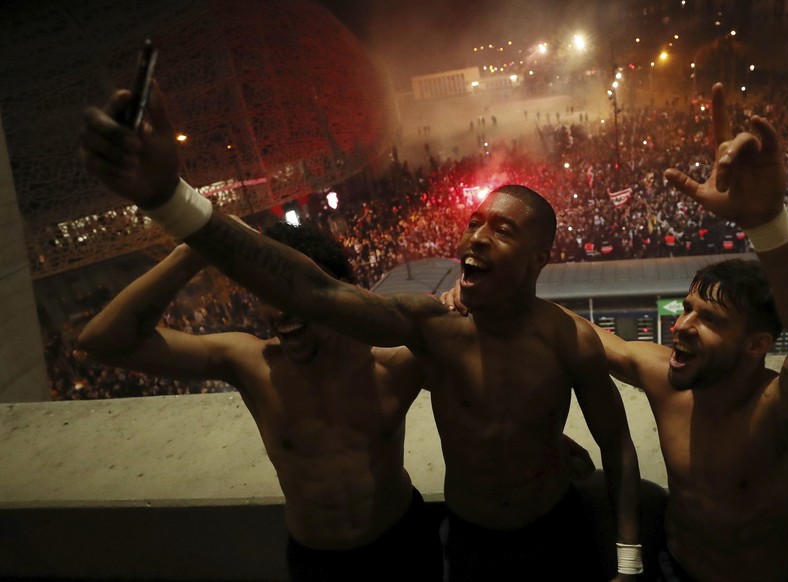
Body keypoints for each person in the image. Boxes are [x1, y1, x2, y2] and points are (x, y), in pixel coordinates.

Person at [80, 81, 642, 581]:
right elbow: (315, 293)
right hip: (467, 545)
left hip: (546, 532)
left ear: (540, 257)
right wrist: (171, 201)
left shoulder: (565, 341)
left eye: (501, 229)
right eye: (472, 223)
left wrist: (628, 557)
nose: (476, 237)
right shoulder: (430, 332)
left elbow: (608, 439)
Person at [443, 82, 788, 581]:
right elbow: (572, 333)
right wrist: (483, 295)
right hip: (671, 568)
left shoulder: (785, 413)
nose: (681, 327)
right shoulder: (663, 378)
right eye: (687, 309)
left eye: (710, 320)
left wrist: (768, 223)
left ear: (757, 346)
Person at [76, 220, 443, 582]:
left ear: (336, 295)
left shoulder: (394, 363)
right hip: (318, 561)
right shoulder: (251, 364)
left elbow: (482, 352)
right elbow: (104, 341)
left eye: (290, 296)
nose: (279, 312)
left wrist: (461, 301)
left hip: (401, 544)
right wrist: (194, 248)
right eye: (267, 296)